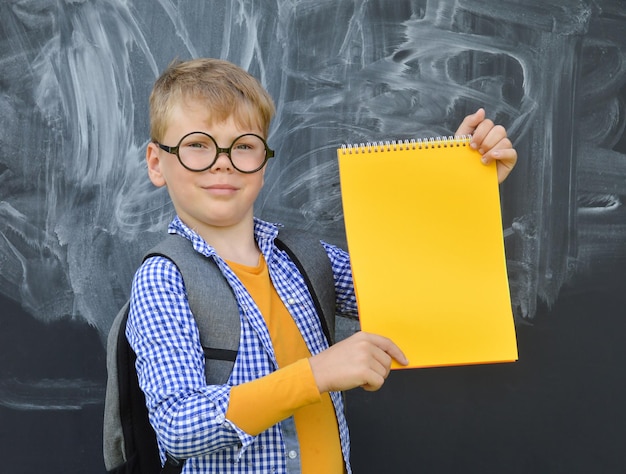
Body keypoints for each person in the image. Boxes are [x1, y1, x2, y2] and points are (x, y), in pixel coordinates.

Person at [126, 57, 517, 474]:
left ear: (263, 162)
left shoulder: (304, 257)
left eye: (243, 146)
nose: (223, 161)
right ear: (156, 162)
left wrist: (459, 180)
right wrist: (316, 373)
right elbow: (178, 426)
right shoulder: (164, 277)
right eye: (197, 145)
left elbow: (412, 287)